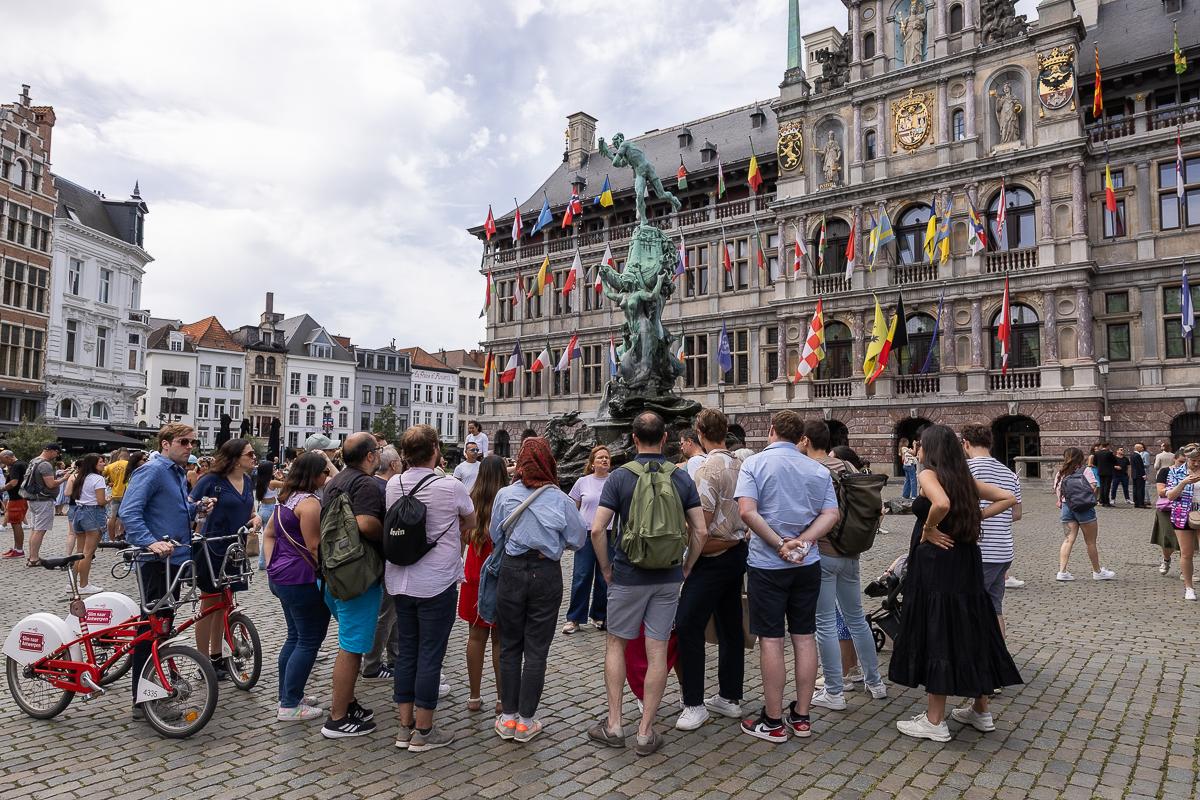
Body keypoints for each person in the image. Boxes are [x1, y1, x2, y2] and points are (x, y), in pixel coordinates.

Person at [889, 425, 1022, 743]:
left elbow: (942, 504)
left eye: (921, 445)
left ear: (931, 449)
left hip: (939, 563)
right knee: (972, 627)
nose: (917, 450)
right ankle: (981, 709)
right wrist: (978, 518)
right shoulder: (964, 478)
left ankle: (935, 720)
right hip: (966, 560)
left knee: (940, 630)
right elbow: (1008, 498)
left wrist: (929, 528)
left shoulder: (928, 475)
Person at [587, 411, 707, 757]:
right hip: (668, 576)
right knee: (657, 652)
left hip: (627, 574)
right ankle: (645, 732)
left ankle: (614, 725)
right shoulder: (681, 477)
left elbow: (597, 530)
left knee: (616, 645)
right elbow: (700, 530)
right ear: (666, 439)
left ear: (634, 439)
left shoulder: (620, 477)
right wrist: (686, 566)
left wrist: (607, 568)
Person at [734, 411, 838, 742]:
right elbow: (831, 514)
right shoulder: (818, 469)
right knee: (805, 637)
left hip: (767, 565)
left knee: (772, 639)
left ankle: (774, 720)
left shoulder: (754, 464)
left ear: (772, 431)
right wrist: (804, 541)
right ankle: (803, 717)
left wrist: (780, 543)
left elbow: (747, 512)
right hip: (807, 565)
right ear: (800, 438)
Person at [387, 424, 475, 751]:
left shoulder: (393, 483)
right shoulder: (450, 486)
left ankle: (403, 727)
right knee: (430, 653)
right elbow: (472, 520)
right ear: (435, 449)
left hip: (400, 579)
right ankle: (424, 731)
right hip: (436, 580)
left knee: (407, 650)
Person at [492, 438, 586, 742]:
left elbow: (496, 532)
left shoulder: (505, 495)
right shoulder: (560, 498)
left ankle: (507, 717)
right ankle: (526, 721)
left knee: (509, 645)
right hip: (545, 572)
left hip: (512, 570)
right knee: (536, 648)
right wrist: (554, 543)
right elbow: (578, 538)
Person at [120, 423, 208, 719]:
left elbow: (176, 507)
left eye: (193, 442)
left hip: (176, 560)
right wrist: (150, 542)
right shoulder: (153, 470)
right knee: (150, 628)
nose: (190, 447)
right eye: (184, 442)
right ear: (166, 443)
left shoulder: (177, 472)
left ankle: (153, 688)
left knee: (163, 626)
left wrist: (197, 508)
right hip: (156, 562)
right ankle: (141, 700)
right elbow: (129, 511)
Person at [799, 422, 887, 713]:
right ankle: (875, 682)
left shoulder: (811, 470)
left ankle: (834, 690)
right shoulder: (847, 465)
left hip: (824, 553)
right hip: (851, 552)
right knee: (856, 618)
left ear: (806, 440)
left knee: (824, 623)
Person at [674, 409, 750, 731]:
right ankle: (730, 696)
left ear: (700, 432)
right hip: (737, 551)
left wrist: (687, 564)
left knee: (688, 624)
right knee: (730, 623)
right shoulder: (741, 464)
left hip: (712, 556)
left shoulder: (707, 469)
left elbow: (701, 528)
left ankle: (694, 703)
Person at [319, 431, 386, 739]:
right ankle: (337, 718)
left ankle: (348, 701)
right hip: (357, 577)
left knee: (352, 640)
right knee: (352, 647)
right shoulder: (368, 485)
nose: (381, 453)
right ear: (370, 456)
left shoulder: (335, 482)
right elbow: (365, 523)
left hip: (332, 574)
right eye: (378, 449)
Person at [263, 452, 331, 721]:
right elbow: (314, 546)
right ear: (313, 475)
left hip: (281, 576)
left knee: (294, 636)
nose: (327, 477)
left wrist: (271, 564)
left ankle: (289, 693)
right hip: (301, 578)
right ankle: (290, 704)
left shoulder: (286, 500)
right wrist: (327, 576)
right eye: (324, 472)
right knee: (309, 639)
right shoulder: (311, 503)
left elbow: (269, 534)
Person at [190, 438, 261, 679]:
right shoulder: (211, 480)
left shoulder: (247, 480)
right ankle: (202, 661)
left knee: (225, 604)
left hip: (235, 547)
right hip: (211, 547)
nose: (254, 458)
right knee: (209, 604)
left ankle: (217, 656)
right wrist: (202, 509)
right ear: (234, 457)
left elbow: (250, 510)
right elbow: (190, 506)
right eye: (249, 454)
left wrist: (256, 519)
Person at [960, 425, 1022, 638]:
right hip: (1004, 551)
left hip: (979, 550)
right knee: (995, 607)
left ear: (966, 443)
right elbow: (1017, 514)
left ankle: (979, 658)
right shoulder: (1009, 473)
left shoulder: (965, 470)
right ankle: (1000, 655)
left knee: (970, 607)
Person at [460, 455, 507, 713]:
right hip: (500, 575)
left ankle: (474, 696)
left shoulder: (471, 500)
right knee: (500, 639)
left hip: (475, 573)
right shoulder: (508, 500)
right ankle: (502, 699)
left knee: (475, 636)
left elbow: (463, 536)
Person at [362, 445, 402, 681]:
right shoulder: (385, 489)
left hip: (377, 560)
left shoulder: (371, 484)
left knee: (391, 613)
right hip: (385, 560)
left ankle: (394, 657)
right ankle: (372, 664)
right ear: (394, 465)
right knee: (386, 614)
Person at [564, 446, 613, 635]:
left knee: (604, 576)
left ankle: (599, 615)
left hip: (608, 534)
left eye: (607, 458)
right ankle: (574, 618)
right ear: (592, 463)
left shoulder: (614, 481)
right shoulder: (582, 482)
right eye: (600, 458)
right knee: (582, 575)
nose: (604, 460)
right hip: (586, 534)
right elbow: (572, 509)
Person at [1055, 447, 1116, 582]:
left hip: (1067, 507)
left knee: (1068, 540)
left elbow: (1058, 490)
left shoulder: (1061, 473)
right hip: (1084, 508)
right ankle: (1097, 571)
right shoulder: (1086, 470)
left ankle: (1062, 572)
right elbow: (1094, 486)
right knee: (1090, 542)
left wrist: (1061, 501)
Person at [1163, 443, 1200, 602]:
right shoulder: (1175, 472)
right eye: (1193, 461)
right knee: (1186, 553)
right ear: (1186, 459)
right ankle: (1189, 587)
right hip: (1182, 514)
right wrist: (1184, 482)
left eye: (1199, 460)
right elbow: (1170, 496)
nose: (1196, 463)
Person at [68, 453, 109, 594]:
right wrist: (109, 499)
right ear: (94, 464)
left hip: (79, 512)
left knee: (79, 552)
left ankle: (72, 584)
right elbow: (101, 501)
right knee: (88, 552)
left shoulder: (81, 477)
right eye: (101, 462)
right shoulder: (98, 479)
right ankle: (84, 585)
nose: (104, 464)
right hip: (93, 513)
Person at [24, 443, 68, 566]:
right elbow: (51, 484)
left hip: (33, 499)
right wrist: (65, 478)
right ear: (52, 451)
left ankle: (33, 555)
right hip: (43, 500)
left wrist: (59, 474)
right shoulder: (45, 464)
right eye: (57, 453)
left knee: (35, 529)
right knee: (40, 530)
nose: (57, 456)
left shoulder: (35, 461)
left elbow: (41, 478)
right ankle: (33, 559)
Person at [1152, 450, 1184, 576]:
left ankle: (1185, 570)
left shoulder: (1191, 472)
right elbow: (1160, 491)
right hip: (1167, 509)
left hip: (1185, 509)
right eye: (1181, 461)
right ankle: (1166, 560)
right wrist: (1179, 488)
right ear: (1174, 459)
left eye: (1186, 462)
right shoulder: (1165, 471)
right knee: (1168, 539)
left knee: (1185, 541)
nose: (1183, 465)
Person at [1, 450, 27, 559]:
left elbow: (13, 482)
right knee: (15, 523)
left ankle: (19, 550)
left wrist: (1, 489)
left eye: (2, 460)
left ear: (8, 457)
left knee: (16, 524)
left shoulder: (16, 466)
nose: (2, 463)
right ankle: (17, 548)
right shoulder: (22, 463)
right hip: (20, 497)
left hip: (17, 498)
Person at [104, 449, 130, 542]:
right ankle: (121, 534)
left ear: (119, 456)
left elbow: (103, 475)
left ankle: (111, 539)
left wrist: (110, 482)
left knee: (112, 517)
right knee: (125, 515)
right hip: (126, 494)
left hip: (115, 494)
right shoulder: (129, 465)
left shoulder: (110, 466)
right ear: (127, 456)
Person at [1092, 442, 1115, 507]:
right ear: (1107, 446)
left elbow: (1094, 463)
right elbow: (1114, 461)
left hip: (1100, 471)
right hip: (1108, 472)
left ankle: (1102, 501)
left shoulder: (1097, 453)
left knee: (1102, 486)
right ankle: (1106, 502)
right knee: (1107, 487)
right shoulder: (1109, 453)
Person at [1132, 442, 1150, 508]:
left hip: (1134, 474)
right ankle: (1141, 503)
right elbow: (1140, 466)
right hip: (1139, 475)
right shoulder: (1138, 455)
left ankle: (1136, 502)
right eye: (1141, 447)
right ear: (1138, 448)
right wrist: (1143, 474)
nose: (1142, 448)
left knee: (1135, 489)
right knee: (1140, 489)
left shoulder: (1133, 455)